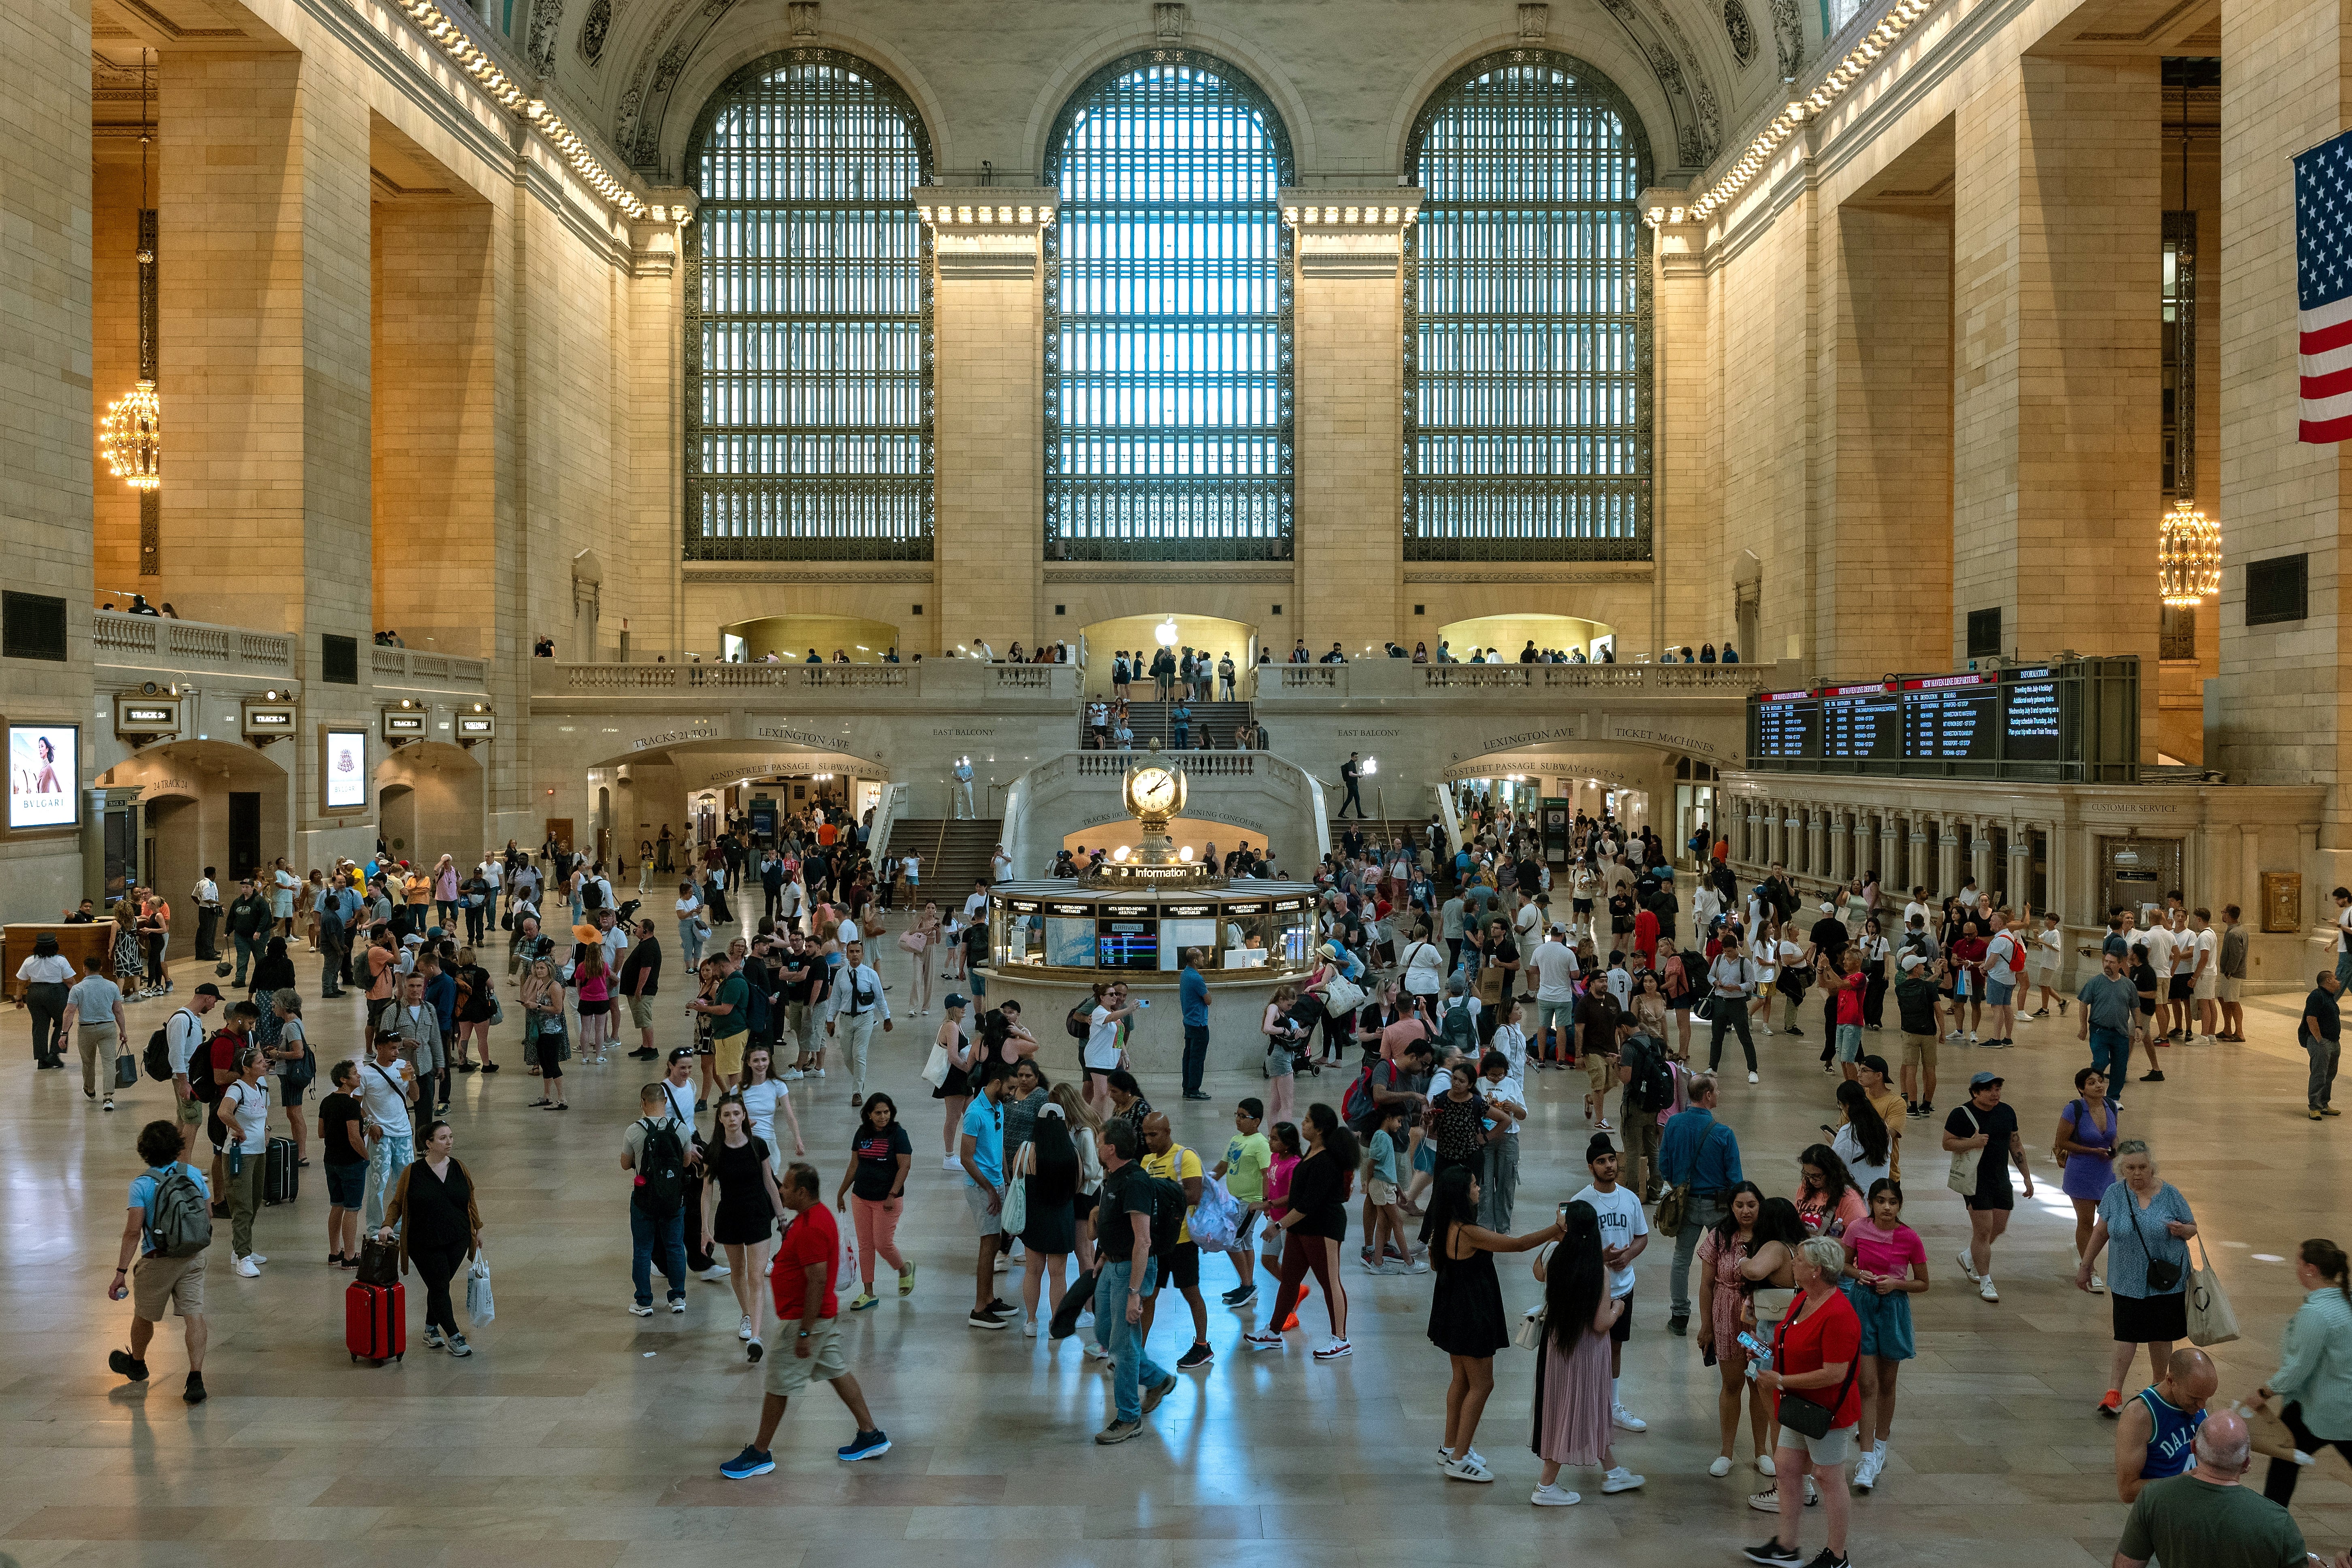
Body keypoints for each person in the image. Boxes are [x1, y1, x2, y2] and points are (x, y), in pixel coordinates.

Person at [719, 1162, 891, 1478]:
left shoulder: (812, 1226)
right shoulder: (817, 1215)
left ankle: (759, 1453)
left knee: (778, 1384)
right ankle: (870, 1434)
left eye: (785, 1186)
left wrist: (804, 1333)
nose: (780, 1190)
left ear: (802, 1192)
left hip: (805, 1318)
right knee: (838, 1371)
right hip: (820, 1315)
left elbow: (816, 1279)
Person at [1745, 1237, 1862, 1568]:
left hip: (1827, 1412)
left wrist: (1780, 1381)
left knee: (1828, 1476)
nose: (1791, 1263)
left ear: (1816, 1270)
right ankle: (1786, 1545)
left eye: (1797, 1259)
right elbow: (1787, 1345)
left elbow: (1834, 1374)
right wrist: (1761, 1348)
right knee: (1786, 1467)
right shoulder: (1803, 1299)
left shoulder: (1838, 1313)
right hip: (1798, 1405)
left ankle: (1838, 1557)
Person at [1531, 1197, 1642, 1505]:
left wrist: (1556, 1236)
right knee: (1577, 1409)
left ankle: (1614, 1471)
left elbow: (1537, 1272)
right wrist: (1618, 1307)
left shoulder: (1556, 1256)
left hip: (1557, 1348)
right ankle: (1545, 1486)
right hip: (1587, 1352)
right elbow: (1600, 1322)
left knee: (1585, 1409)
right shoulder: (1597, 1270)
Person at [2077, 1138, 2198, 1416]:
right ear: (2121, 1169)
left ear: (2152, 1167)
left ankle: (2158, 1389)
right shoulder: (2114, 1194)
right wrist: (2086, 1265)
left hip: (2165, 1281)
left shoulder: (2170, 1194)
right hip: (2126, 1278)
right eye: (2130, 1167)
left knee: (2160, 1336)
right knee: (2125, 1334)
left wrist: (2182, 1230)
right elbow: (2100, 1231)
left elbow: (2192, 1227)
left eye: (2142, 1166)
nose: (2137, 1173)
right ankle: (2113, 1392)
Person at [2112, 1411, 2311, 1568]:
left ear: (2194, 1448)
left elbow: (2126, 1564)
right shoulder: (2278, 1521)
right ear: (2247, 1463)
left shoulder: (2153, 1498)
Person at [108, 1119, 213, 1405]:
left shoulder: (141, 1185)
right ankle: (195, 1378)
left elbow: (133, 1232)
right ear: (178, 1146)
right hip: (192, 1256)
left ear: (144, 1151)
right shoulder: (192, 1174)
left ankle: (138, 1363)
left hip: (158, 1259)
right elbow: (208, 1215)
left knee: (144, 1315)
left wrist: (120, 1272)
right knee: (194, 1315)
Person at [1244, 1103, 1358, 1359]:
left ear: (1319, 1129)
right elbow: (1297, 1197)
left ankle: (1341, 1339)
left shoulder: (1327, 1160)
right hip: (1300, 1228)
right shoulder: (1311, 1152)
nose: (1302, 1124)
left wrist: (1278, 1225)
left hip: (1324, 1228)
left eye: (1307, 1121)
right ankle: (1273, 1332)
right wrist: (1273, 1207)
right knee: (1290, 1280)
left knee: (1330, 1283)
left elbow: (1308, 1204)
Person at [1091, 1118, 1179, 1442]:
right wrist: (1101, 1257)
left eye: (1099, 1141)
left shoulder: (1136, 1182)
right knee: (1104, 1333)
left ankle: (1129, 1418)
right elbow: (1114, 1225)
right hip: (1111, 1265)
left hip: (1131, 1270)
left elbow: (1142, 1241)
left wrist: (1134, 1293)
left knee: (1124, 1347)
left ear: (1110, 1148)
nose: (1097, 1146)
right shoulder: (1112, 1176)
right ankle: (1157, 1379)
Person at [1839, 1179, 1928, 1493]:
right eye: (1880, 1201)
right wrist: (1857, 1273)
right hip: (1862, 1305)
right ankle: (1865, 1457)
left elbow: (1922, 1282)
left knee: (1887, 1382)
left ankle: (1880, 1444)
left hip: (1892, 1309)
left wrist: (1896, 1284)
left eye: (1892, 1201)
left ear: (1899, 1204)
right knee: (1866, 1383)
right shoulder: (1857, 1229)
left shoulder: (1909, 1237)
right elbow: (1843, 1262)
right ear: (1871, 1203)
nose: (1886, 1207)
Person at [2254, 1237, 2352, 1507]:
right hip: (2347, 1410)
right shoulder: (2347, 1302)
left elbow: (2299, 1367)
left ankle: (2269, 1536)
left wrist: (2263, 1392)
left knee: (2280, 1479)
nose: (2295, 1267)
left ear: (2310, 1268)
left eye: (2297, 1262)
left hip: (2315, 1410)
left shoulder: (2317, 1313)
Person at [1566, 1133, 1650, 1435]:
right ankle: (1585, 1406)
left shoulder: (1629, 1198)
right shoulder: (1579, 1202)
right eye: (1601, 1161)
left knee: (1615, 1347)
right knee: (1586, 1350)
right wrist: (1596, 1257)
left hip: (1622, 1288)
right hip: (1590, 1290)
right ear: (1591, 1167)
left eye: (1612, 1159)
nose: (1608, 1165)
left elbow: (1641, 1236)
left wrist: (1627, 1256)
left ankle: (1613, 1406)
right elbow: (1567, 1246)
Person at [377, 1119, 484, 1356]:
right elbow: (397, 1203)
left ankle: (430, 1329)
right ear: (429, 1144)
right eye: (443, 1138)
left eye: (451, 1137)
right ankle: (455, 1336)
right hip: (423, 1241)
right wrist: (387, 1225)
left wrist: (478, 1228)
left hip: (457, 1238)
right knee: (438, 1285)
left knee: (440, 1286)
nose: (449, 1142)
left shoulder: (459, 1167)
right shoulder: (413, 1172)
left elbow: (470, 1200)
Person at [1697, 1182, 1775, 1478]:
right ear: (1731, 1207)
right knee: (1731, 1384)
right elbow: (1706, 1284)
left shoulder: (1770, 1238)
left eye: (1752, 1205)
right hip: (1725, 1316)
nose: (1745, 1211)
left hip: (1759, 1319)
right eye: (1740, 1205)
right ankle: (1726, 1452)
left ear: (1760, 1205)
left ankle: (1761, 1451)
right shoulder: (1718, 1236)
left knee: (1759, 1382)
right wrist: (1706, 1325)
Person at [704, 1095, 788, 1359]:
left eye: (736, 1113)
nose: (731, 1118)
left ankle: (755, 1336)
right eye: (726, 1114)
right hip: (729, 1216)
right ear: (720, 1119)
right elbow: (706, 1192)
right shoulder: (714, 1151)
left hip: (756, 1215)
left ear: (744, 1116)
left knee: (756, 1275)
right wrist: (704, 1229)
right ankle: (747, 1314)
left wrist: (782, 1218)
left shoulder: (758, 1145)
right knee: (738, 1271)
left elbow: (770, 1184)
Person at [1659, 1072, 1742, 1336]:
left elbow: (1664, 1165)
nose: (1718, 1094)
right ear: (1707, 1095)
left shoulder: (1673, 1124)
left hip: (1685, 1204)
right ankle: (1721, 1313)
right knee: (1723, 1259)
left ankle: (1680, 1316)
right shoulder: (1723, 1133)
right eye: (1716, 1090)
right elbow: (1735, 1179)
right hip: (1717, 1206)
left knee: (1681, 1258)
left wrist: (1679, 1184)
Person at [1943, 1071, 2032, 1303]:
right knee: (1982, 1232)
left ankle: (1969, 1256)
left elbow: (2016, 1144)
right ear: (1975, 1093)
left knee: (1999, 1227)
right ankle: (1985, 1280)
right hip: (1975, 1180)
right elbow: (1947, 1143)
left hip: (2001, 1178)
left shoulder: (2007, 1112)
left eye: (1998, 1089)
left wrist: (2027, 1177)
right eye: (1990, 1090)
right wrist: (1974, 1142)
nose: (1996, 1094)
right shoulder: (1961, 1114)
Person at [1141, 1111, 1212, 1369]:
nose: (1148, 1140)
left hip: (1182, 1241)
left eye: (1154, 1134)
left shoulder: (1186, 1157)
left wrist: (1159, 1191)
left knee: (1191, 1292)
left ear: (1168, 1132)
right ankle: (1138, 1351)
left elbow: (1194, 1195)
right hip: (1155, 1243)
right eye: (1146, 1135)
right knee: (1148, 1297)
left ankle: (1203, 1346)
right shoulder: (1147, 1162)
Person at [623, 1079, 699, 1316]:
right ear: (665, 1102)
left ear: (643, 1103)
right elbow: (687, 1162)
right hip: (674, 1199)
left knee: (643, 1250)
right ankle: (678, 1297)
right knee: (675, 1247)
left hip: (644, 1199)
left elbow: (626, 1164)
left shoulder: (635, 1130)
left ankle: (644, 1302)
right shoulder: (681, 1129)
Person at [2115, 1346, 2218, 1502]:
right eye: (2194, 1398)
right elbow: (2128, 1491)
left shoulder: (2200, 1400)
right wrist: (2180, 1483)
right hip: (2162, 1516)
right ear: (2171, 1381)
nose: (2202, 1406)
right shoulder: (2140, 1414)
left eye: (2207, 1398)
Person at [958, 1065, 1015, 1329]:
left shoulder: (998, 1106)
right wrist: (990, 1189)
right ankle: (979, 1308)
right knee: (988, 1243)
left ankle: (990, 1299)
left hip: (996, 1183)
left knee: (994, 1244)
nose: (1013, 1093)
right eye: (1010, 1088)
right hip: (981, 1187)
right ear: (996, 1082)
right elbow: (966, 1158)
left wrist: (1007, 1179)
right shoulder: (974, 1113)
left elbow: (999, 1143)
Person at [2056, 1066, 2121, 1288]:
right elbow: (2062, 1142)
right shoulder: (2073, 1109)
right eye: (2092, 1083)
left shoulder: (2111, 1105)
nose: (2099, 1085)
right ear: (2081, 1089)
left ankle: (2093, 1258)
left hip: (2107, 1172)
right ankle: (2089, 1269)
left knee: (2111, 1220)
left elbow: (2114, 1136)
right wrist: (2093, 1151)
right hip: (2082, 1171)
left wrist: (2116, 1152)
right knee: (2086, 1221)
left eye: (2101, 1081)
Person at [1214, 1097, 1272, 1305]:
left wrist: (1266, 1202)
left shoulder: (1261, 1144)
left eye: (1243, 1116)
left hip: (1251, 1204)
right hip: (1236, 1201)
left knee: (1232, 1240)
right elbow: (1222, 1167)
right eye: (1237, 1115)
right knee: (1245, 1241)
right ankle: (1247, 1285)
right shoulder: (1235, 1140)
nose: (1238, 1120)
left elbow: (1267, 1174)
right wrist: (1204, 1183)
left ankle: (1248, 1287)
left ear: (1256, 1121)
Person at [824, 940, 892, 1107]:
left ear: (862, 954)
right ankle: (859, 1079)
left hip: (865, 1018)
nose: (855, 954)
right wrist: (830, 1019)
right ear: (847, 955)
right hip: (846, 1019)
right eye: (852, 951)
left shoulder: (871, 974)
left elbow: (880, 999)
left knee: (859, 1054)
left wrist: (887, 1018)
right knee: (847, 1056)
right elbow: (836, 999)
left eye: (858, 952)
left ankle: (857, 1092)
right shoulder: (840, 974)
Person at [318, 1060, 367, 1268]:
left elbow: (321, 1133)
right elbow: (354, 1138)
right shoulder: (352, 1105)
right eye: (355, 1074)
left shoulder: (327, 1101)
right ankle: (349, 1256)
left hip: (331, 1161)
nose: (359, 1076)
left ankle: (334, 1252)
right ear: (344, 1080)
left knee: (336, 1206)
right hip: (351, 1162)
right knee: (352, 1209)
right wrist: (366, 1157)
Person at [61, 954, 127, 1108]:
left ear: (84, 969)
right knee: (109, 1063)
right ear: (101, 968)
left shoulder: (78, 989)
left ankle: (90, 1089)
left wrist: (64, 1034)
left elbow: (69, 1012)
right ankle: (109, 1097)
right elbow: (118, 1011)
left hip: (86, 1029)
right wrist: (123, 1031)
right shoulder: (112, 986)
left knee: (88, 1062)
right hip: (108, 1028)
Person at [15, 929, 73, 1069]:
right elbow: (70, 981)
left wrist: (19, 1000)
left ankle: (41, 1060)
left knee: (39, 1026)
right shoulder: (60, 960)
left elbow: (21, 982)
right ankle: (54, 1053)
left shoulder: (29, 960)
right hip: (56, 993)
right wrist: (77, 997)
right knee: (63, 1022)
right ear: (55, 946)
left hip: (34, 993)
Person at [2302, 969, 2343, 1121]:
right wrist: (2320, 1041)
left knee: (2329, 1075)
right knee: (2319, 1074)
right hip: (2321, 1042)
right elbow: (2311, 1019)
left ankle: (2324, 1104)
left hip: (2333, 1042)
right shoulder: (2316, 996)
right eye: (2335, 978)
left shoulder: (2329, 997)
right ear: (2328, 981)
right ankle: (2315, 1107)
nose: (2338, 981)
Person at [1178, 948, 1212, 1102]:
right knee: (1197, 1059)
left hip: (1189, 1021)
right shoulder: (1197, 978)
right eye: (1202, 956)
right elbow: (1208, 1000)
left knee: (1189, 1057)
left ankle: (1187, 1087)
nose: (1205, 958)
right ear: (1195, 960)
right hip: (1199, 1023)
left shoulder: (1185, 974)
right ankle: (1194, 1090)